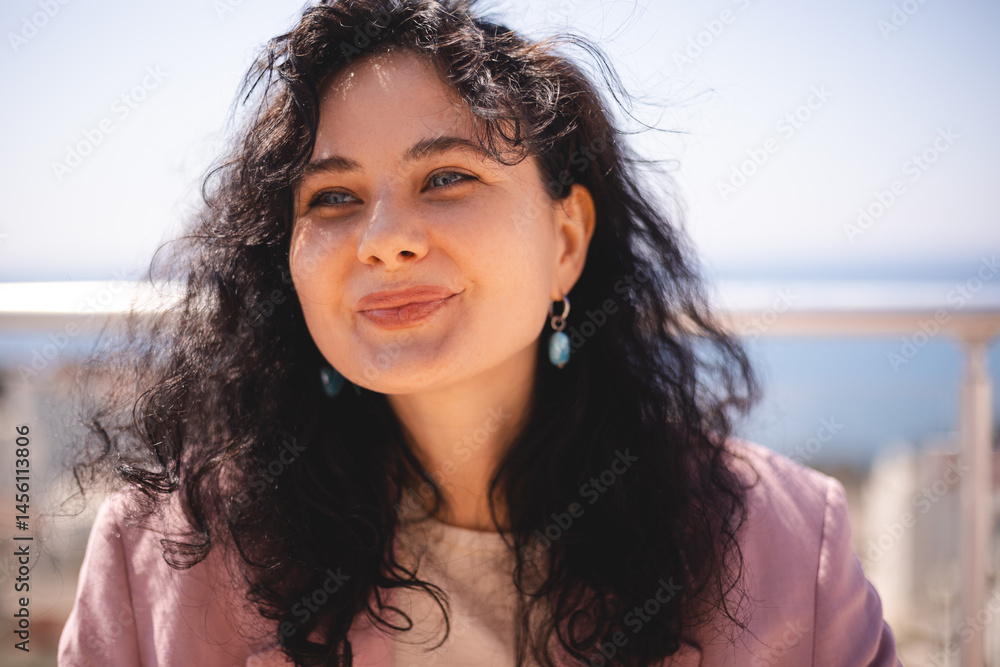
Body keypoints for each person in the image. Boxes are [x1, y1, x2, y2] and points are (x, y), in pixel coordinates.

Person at [57, 0, 902, 665]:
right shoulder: (155, 557)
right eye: (333, 197)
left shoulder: (789, 548)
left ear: (566, 240)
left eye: (448, 176)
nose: (385, 235)